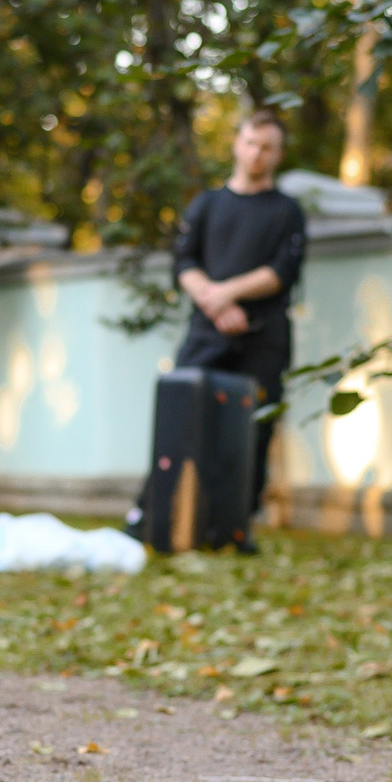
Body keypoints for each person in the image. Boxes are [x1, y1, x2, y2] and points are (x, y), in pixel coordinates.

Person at [170, 109, 307, 542]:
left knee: (253, 429)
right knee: (184, 417)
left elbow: (282, 271)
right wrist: (214, 302)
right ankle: (169, 512)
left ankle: (233, 527)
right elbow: (184, 262)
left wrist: (227, 292)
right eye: (251, 143)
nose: (257, 154)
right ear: (237, 143)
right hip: (206, 331)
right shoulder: (207, 204)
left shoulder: (287, 212)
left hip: (263, 338)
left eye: (267, 147)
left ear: (278, 155)